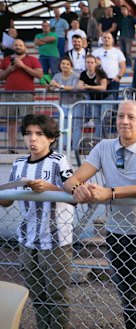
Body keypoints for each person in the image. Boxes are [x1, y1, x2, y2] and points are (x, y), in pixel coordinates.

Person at [64, 100, 136, 329]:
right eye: (120, 116)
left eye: (131, 117)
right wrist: (76, 189)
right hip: (115, 231)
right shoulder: (103, 147)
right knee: (126, 294)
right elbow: (72, 179)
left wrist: (110, 193)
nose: (124, 121)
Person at [0, 114, 75, 329]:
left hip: (55, 240)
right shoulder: (19, 163)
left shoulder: (58, 160)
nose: (33, 139)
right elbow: (8, 200)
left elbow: (73, 193)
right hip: (27, 239)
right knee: (38, 296)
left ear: (51, 138)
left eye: (39, 134)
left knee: (57, 297)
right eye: (28, 134)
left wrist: (48, 188)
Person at [0, 39, 43, 152]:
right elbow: (0, 76)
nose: (18, 47)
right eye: (16, 45)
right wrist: (10, 69)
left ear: (25, 47)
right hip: (9, 94)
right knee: (10, 121)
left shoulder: (32, 59)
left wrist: (23, 66)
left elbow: (39, 74)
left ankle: (29, 146)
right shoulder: (6, 60)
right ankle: (12, 147)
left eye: (20, 45)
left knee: (28, 121)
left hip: (26, 94)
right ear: (13, 47)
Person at [75, 54, 108, 148]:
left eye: (92, 62)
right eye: (88, 62)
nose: (90, 64)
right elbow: (79, 86)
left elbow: (103, 87)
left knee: (103, 120)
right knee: (97, 120)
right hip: (93, 99)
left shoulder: (101, 73)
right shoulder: (83, 74)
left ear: (95, 63)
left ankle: (101, 143)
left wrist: (89, 87)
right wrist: (80, 87)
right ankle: (96, 143)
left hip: (105, 99)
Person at [47, 57, 82, 122]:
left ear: (71, 66)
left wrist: (59, 86)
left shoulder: (76, 76)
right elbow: (52, 88)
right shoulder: (57, 76)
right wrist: (49, 86)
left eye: (67, 64)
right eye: (63, 63)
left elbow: (74, 88)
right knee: (64, 125)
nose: (65, 65)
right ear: (60, 65)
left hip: (76, 104)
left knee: (76, 125)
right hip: (63, 104)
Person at [92, 32, 126, 98]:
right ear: (101, 39)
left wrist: (118, 77)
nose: (106, 39)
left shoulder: (118, 52)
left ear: (112, 40)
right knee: (98, 100)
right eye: (104, 37)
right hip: (99, 80)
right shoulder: (95, 52)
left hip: (113, 80)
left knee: (112, 102)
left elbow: (123, 67)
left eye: (109, 38)